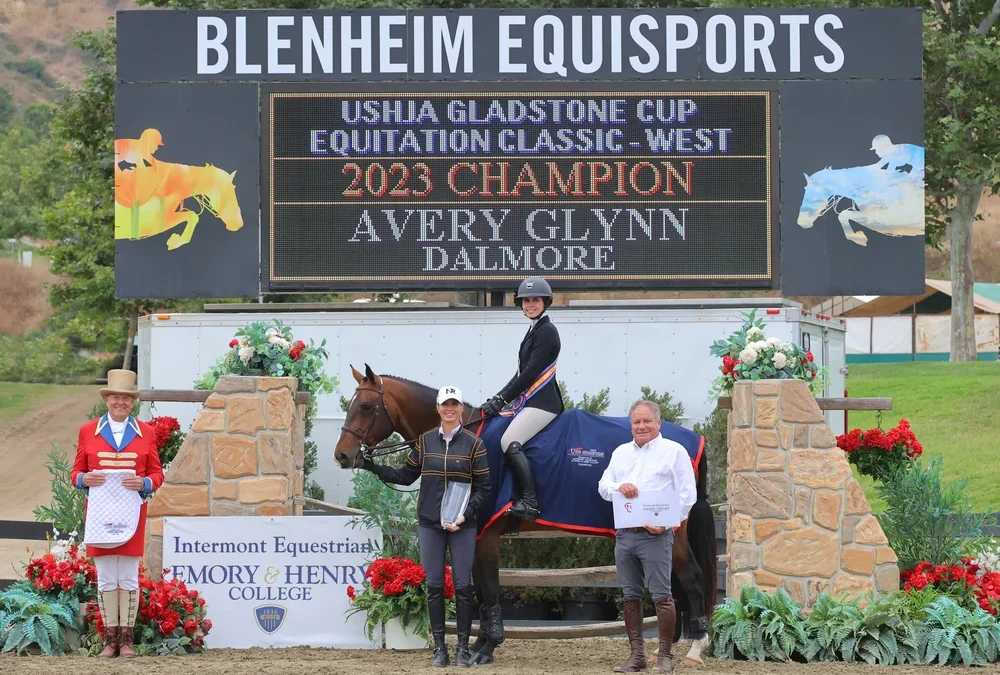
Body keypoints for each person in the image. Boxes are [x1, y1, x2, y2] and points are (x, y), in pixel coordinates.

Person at [361, 385, 491, 668]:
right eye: (445, 404)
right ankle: (440, 649)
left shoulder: (474, 444)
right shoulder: (424, 442)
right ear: (438, 408)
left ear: (460, 409)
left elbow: (484, 488)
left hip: (462, 525)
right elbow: (406, 476)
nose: (449, 409)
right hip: (430, 523)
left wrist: (465, 515)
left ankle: (462, 650)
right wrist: (372, 467)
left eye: (454, 404)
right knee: (433, 585)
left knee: (462, 586)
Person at [597, 400, 697, 673]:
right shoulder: (620, 453)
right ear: (631, 426)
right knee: (630, 596)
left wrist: (669, 524)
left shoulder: (674, 452)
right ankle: (637, 656)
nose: (641, 426)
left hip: (656, 535)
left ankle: (665, 656)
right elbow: (603, 487)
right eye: (636, 422)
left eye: (646, 421)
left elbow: (688, 494)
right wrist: (620, 486)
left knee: (662, 596)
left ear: (658, 424)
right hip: (625, 535)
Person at [71, 369, 164, 659]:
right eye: (114, 397)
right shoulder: (88, 430)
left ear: (132, 402)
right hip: (100, 513)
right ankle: (109, 641)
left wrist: (145, 483)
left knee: (129, 577)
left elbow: (157, 473)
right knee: (106, 578)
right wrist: (83, 480)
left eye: (125, 398)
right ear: (107, 399)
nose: (120, 402)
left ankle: (127, 641)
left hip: (132, 512)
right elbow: (76, 471)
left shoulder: (147, 432)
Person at [479, 276, 563, 521]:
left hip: (544, 404)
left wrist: (502, 400)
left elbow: (530, 373)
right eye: (526, 301)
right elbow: (519, 374)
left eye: (535, 300)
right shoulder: (534, 329)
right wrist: (497, 398)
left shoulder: (546, 331)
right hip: (533, 401)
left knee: (509, 441)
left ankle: (530, 502)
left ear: (545, 302)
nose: (530, 305)